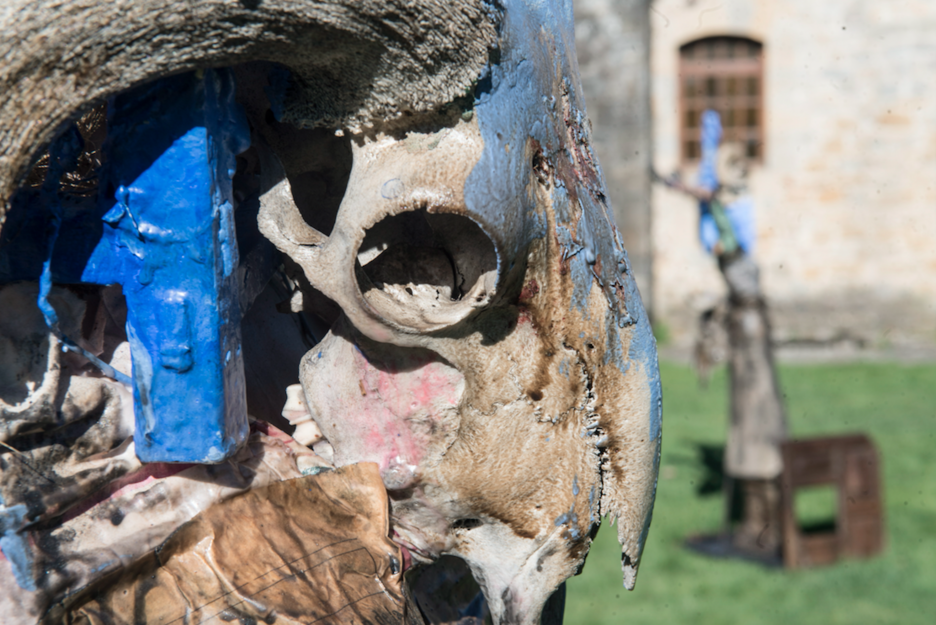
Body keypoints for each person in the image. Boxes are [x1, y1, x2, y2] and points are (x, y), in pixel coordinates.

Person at [657, 110, 788, 557]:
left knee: (756, 417)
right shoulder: (730, 207)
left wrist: (684, 189)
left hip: (750, 333)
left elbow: (720, 221)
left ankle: (764, 520)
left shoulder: (736, 212)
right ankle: (753, 517)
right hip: (744, 327)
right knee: (746, 421)